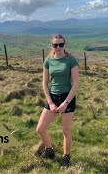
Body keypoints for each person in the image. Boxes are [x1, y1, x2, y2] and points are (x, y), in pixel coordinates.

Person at [36, 34, 79, 169]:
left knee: (66, 131)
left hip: (68, 97)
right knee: (40, 129)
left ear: (65, 45)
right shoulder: (48, 60)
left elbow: (76, 83)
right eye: (56, 45)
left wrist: (65, 103)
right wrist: (51, 102)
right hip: (53, 97)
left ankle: (66, 158)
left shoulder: (71, 60)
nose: (58, 47)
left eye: (61, 44)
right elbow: (44, 83)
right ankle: (49, 150)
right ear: (52, 46)